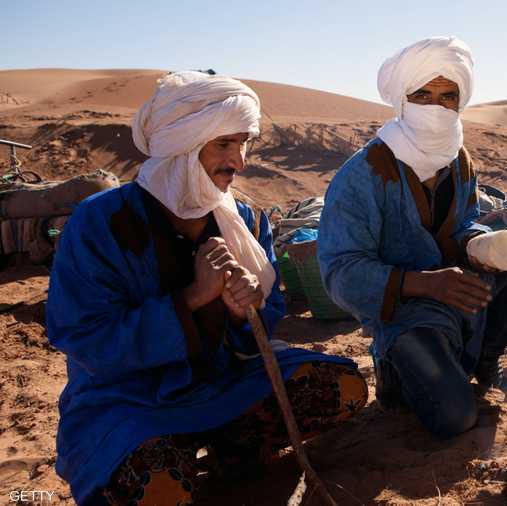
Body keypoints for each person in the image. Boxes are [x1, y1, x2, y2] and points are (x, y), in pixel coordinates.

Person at [47, 71, 367, 505]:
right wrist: (193, 298)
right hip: (130, 399)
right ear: (181, 144)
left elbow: (267, 313)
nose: (239, 161)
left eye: (243, 143)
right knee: (158, 487)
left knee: (342, 387)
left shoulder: (247, 222)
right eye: (224, 144)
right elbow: (85, 339)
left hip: (226, 380)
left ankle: (233, 449)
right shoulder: (100, 223)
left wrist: (245, 306)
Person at [318, 37, 507, 438]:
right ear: (402, 100)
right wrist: (424, 283)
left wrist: (478, 245)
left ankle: (485, 354)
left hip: (463, 290)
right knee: (456, 418)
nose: (435, 108)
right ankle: (396, 372)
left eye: (446, 96)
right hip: (410, 314)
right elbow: (339, 272)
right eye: (422, 94)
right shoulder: (363, 174)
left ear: (459, 102)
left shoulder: (458, 159)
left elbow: (464, 223)